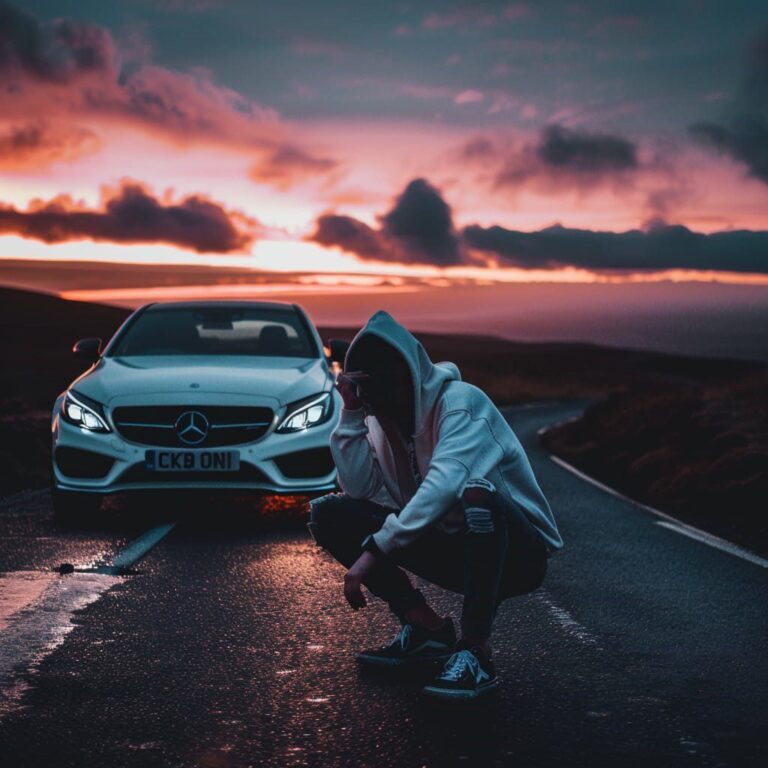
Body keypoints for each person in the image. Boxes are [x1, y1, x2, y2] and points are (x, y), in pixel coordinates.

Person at [307, 310, 564, 700]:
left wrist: (375, 550)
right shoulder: (381, 419)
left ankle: (476, 651)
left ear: (408, 376)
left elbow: (447, 483)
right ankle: (426, 629)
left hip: (515, 553)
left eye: (379, 389)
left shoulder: (461, 403)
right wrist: (352, 414)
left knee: (477, 493)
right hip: (449, 546)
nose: (377, 399)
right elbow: (358, 489)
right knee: (329, 512)